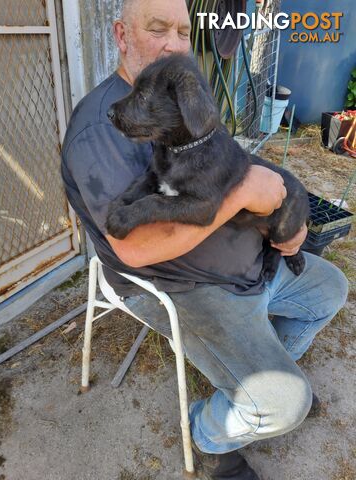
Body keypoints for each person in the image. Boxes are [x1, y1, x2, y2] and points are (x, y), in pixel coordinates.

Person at [61, 1, 348, 478]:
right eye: (157, 29)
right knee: (284, 405)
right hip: (184, 287)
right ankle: (209, 432)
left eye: (183, 30)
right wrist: (240, 197)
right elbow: (133, 246)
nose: (175, 44)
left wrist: (285, 216)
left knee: (331, 290)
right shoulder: (103, 129)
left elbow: (227, 164)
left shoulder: (182, 94)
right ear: (121, 35)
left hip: (253, 262)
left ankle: (258, 376)